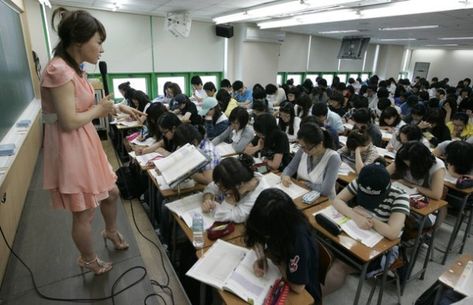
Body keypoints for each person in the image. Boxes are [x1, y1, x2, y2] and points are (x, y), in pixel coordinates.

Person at [41, 7, 143, 275]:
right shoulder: (58, 71)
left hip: (85, 141)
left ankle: (109, 231)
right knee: (83, 211)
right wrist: (100, 111)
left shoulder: (74, 68)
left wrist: (118, 108)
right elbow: (69, 120)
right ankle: (87, 258)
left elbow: (85, 104)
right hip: (71, 145)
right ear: (78, 41)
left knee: (112, 192)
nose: (101, 49)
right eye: (98, 42)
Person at [324, 164, 410, 295]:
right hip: (353, 235)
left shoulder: (400, 196)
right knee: (321, 251)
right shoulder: (362, 180)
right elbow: (337, 200)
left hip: (381, 249)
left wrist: (367, 215)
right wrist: (355, 215)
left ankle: (312, 299)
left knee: (339, 266)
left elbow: (393, 233)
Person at [244, 189, 322, 303]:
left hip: (304, 295)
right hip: (279, 275)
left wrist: (276, 262)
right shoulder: (275, 219)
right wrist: (261, 256)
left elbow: (298, 287)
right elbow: (256, 236)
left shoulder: (299, 239)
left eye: (267, 233)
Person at [201, 155, 269, 223]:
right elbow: (211, 187)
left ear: (240, 185)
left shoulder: (258, 197)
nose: (220, 189)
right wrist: (208, 199)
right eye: (219, 185)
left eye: (224, 188)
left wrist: (236, 195)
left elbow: (220, 216)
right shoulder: (238, 176)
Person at [282, 123, 341, 199]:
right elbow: (290, 168)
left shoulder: (333, 158)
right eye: (302, 147)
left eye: (307, 148)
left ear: (320, 144)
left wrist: (306, 184)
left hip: (324, 201)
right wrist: (285, 175)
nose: (304, 150)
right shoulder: (303, 150)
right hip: (302, 195)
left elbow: (325, 190)